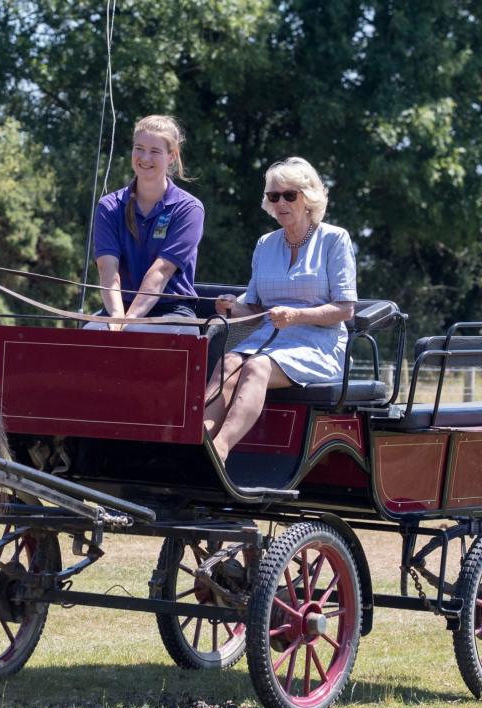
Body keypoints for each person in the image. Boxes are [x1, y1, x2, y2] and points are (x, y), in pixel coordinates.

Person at [205, 157, 357, 462]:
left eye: (290, 195)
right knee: (229, 361)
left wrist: (296, 315)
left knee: (255, 366)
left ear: (308, 197)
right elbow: (255, 306)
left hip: (319, 344)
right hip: (268, 340)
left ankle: (220, 451)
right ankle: (201, 440)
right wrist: (232, 308)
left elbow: (345, 309)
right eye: (274, 196)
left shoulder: (333, 239)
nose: (281, 202)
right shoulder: (265, 244)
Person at [87, 115, 203, 334]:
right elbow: (107, 269)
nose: (144, 157)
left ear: (172, 156)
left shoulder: (189, 208)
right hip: (118, 308)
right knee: (92, 333)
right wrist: (116, 317)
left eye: (155, 151)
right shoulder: (108, 206)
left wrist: (128, 322)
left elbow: (162, 271)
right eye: (139, 148)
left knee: (135, 333)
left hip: (172, 311)